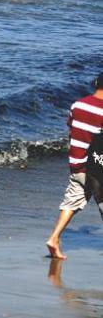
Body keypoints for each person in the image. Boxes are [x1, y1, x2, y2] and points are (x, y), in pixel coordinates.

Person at [46, 71, 103, 259]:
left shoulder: (77, 105)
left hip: (77, 163)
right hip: (97, 167)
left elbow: (72, 130)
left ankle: (54, 238)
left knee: (73, 201)